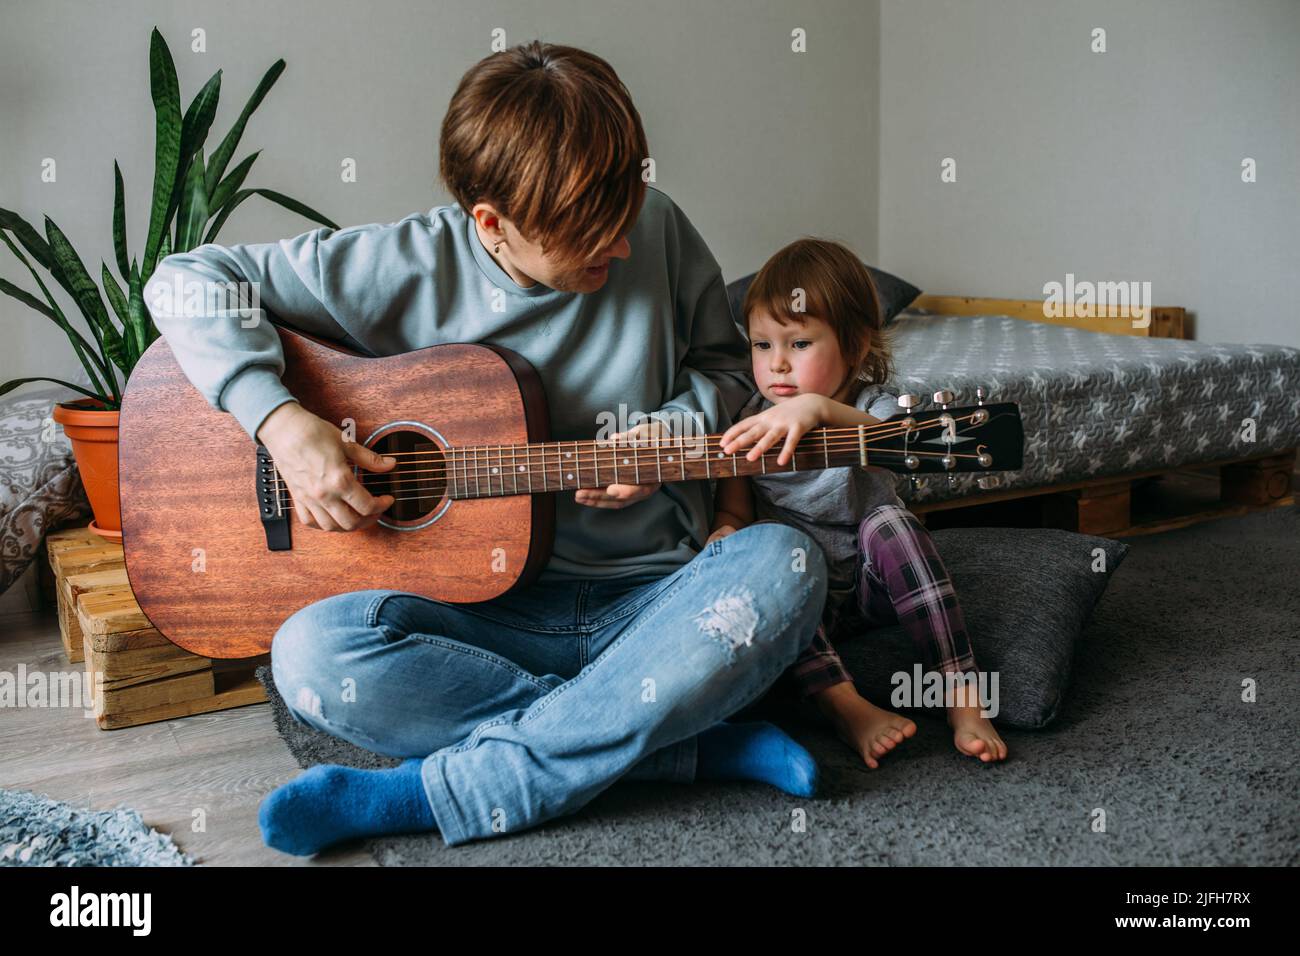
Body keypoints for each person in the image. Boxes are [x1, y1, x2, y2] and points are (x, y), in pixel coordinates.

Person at [144, 41, 830, 855]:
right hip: (478, 623)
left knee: (787, 564)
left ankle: (442, 786)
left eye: (623, 222)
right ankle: (666, 742)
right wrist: (281, 422)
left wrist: (669, 434)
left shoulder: (657, 226)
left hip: (654, 601)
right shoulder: (398, 265)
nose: (618, 249)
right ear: (492, 224)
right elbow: (185, 278)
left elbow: (724, 370)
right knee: (311, 657)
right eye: (589, 237)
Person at [706, 238, 1008, 769]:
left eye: (799, 344)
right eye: (760, 345)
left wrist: (820, 409)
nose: (777, 364)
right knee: (765, 552)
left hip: (873, 589)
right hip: (802, 598)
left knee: (891, 521)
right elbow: (734, 511)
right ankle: (846, 708)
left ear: (855, 345)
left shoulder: (870, 407)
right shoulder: (748, 423)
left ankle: (962, 697)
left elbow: (901, 443)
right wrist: (726, 533)